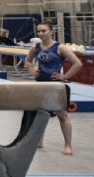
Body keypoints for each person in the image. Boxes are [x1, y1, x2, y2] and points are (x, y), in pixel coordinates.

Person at [25, 21, 82, 155]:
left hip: (55, 85)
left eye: (43, 31)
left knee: (61, 115)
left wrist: (65, 76)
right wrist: (32, 70)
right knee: (40, 113)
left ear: (51, 32)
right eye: (38, 31)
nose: (40, 33)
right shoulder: (36, 47)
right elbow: (28, 60)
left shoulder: (59, 47)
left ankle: (68, 145)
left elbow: (77, 64)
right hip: (41, 83)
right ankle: (39, 141)